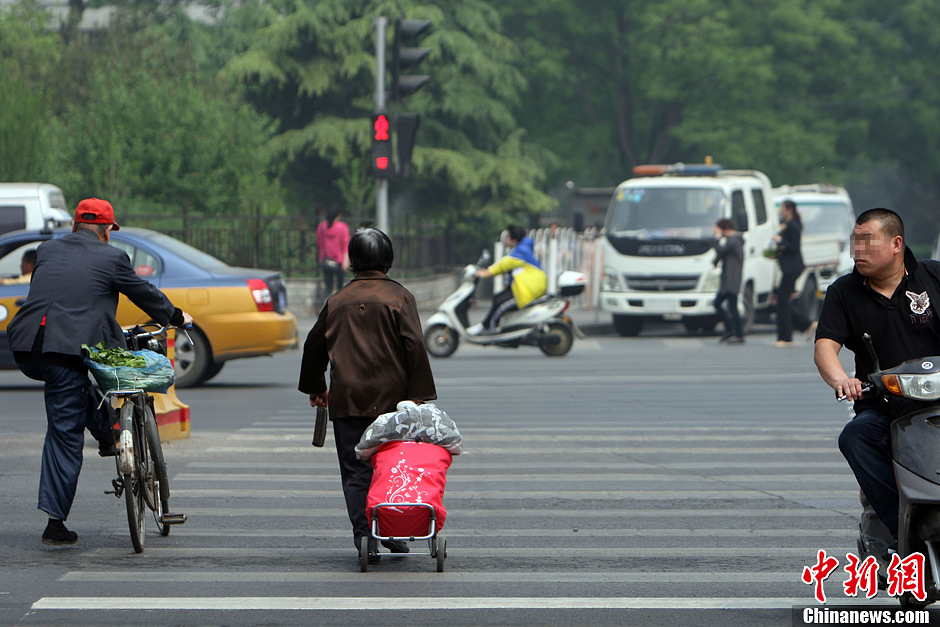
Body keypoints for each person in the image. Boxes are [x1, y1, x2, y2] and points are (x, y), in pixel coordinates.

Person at [7, 198, 193, 546]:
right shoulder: (111, 257)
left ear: (75, 225)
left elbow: (63, 295)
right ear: (107, 230)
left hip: (27, 344)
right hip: (62, 349)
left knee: (76, 389)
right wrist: (177, 317)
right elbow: (143, 294)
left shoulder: (47, 250)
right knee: (64, 432)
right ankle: (54, 522)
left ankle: (109, 434)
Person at [298, 226, 437, 559]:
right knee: (391, 468)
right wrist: (417, 395)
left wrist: (317, 387)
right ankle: (390, 530)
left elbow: (313, 346)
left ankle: (365, 536)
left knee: (356, 470)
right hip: (395, 402)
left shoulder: (337, 301)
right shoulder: (400, 298)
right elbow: (415, 346)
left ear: (351, 262)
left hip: (348, 402)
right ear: (388, 260)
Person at [814, 208, 940, 553]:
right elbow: (825, 345)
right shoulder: (844, 291)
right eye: (855, 242)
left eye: (867, 241)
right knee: (855, 436)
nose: (858, 251)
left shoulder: (933, 277)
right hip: (884, 406)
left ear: (896, 243)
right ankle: (898, 526)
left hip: (938, 403)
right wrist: (842, 379)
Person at [469, 225, 547, 335]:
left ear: (514, 240)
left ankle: (489, 329)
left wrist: (486, 273)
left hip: (528, 291)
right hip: (524, 287)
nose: (505, 239)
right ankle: (485, 326)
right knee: (497, 298)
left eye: (507, 236)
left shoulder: (521, 252)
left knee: (501, 304)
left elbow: (504, 264)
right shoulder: (521, 247)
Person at [773, 200, 813, 347]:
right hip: (790, 267)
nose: (780, 212)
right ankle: (805, 324)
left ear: (789, 210)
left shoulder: (793, 225)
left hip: (792, 268)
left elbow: (793, 246)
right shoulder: (788, 225)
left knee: (782, 302)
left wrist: (780, 241)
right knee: (784, 302)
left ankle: (786, 338)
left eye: (782, 209)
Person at [712, 218, 745, 344]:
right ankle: (733, 330)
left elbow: (721, 251)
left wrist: (716, 238)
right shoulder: (732, 241)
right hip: (728, 280)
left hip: (732, 280)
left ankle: (736, 332)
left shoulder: (734, 241)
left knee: (731, 307)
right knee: (726, 306)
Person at [316, 205, 350, 302]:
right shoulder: (343, 227)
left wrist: (321, 257)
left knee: (328, 287)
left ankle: (320, 305)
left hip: (326, 261)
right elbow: (345, 245)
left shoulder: (321, 226)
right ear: (338, 215)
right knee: (340, 288)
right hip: (339, 262)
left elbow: (319, 244)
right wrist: (345, 261)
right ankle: (340, 308)